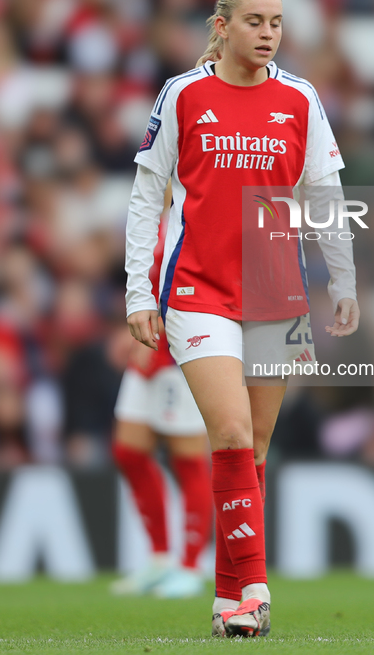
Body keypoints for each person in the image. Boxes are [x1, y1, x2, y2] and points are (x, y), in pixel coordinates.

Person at [125, 0, 359, 637]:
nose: (267, 32)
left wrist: (342, 283)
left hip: (274, 289)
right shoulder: (183, 94)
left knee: (253, 448)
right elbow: (147, 197)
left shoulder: (299, 99)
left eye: (276, 21)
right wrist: (138, 292)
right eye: (254, 20)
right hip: (197, 286)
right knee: (227, 431)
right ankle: (254, 586)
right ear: (221, 25)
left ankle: (229, 598)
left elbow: (325, 199)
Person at [112, 200, 212, 598]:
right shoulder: (152, 209)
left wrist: (164, 334)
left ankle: (190, 565)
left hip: (180, 345)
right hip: (148, 347)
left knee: (188, 457)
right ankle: (159, 558)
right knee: (129, 452)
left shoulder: (199, 204)